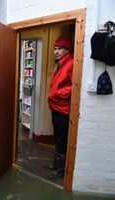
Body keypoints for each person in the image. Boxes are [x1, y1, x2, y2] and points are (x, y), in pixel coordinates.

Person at [47, 36, 73, 180]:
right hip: (56, 107)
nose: (56, 52)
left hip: (63, 110)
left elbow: (74, 86)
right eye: (55, 49)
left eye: (60, 49)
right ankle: (56, 165)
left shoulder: (70, 63)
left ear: (66, 50)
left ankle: (61, 170)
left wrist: (57, 94)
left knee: (62, 139)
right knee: (57, 137)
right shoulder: (60, 63)